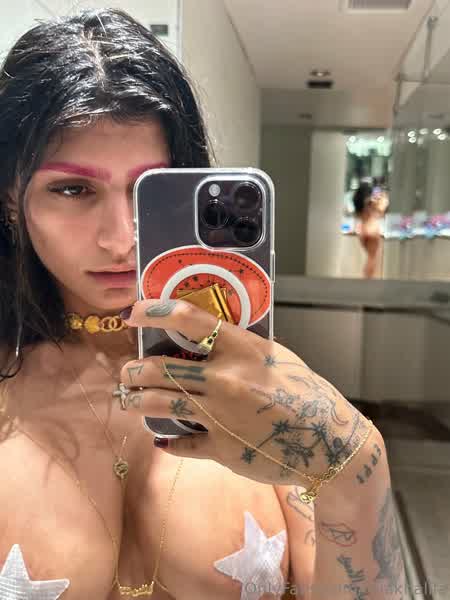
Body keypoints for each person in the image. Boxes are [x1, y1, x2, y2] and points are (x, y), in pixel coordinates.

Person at [0, 9, 405, 600]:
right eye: (73, 189)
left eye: (150, 190)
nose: (120, 238)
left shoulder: (254, 382)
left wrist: (354, 459)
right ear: (11, 198)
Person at [352, 179, 389, 279]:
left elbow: (381, 207)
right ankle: (368, 280)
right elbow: (382, 206)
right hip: (370, 230)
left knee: (372, 258)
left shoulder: (364, 208)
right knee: (372, 258)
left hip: (365, 229)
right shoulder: (369, 206)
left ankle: (368, 279)